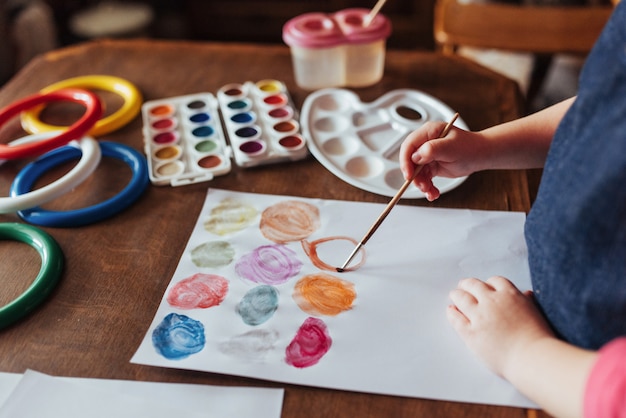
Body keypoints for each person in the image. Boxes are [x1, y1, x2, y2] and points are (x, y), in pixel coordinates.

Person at [398, 1, 626, 417]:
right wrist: (485, 147)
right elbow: (603, 108)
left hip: (568, 374)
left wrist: (522, 351)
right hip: (545, 316)